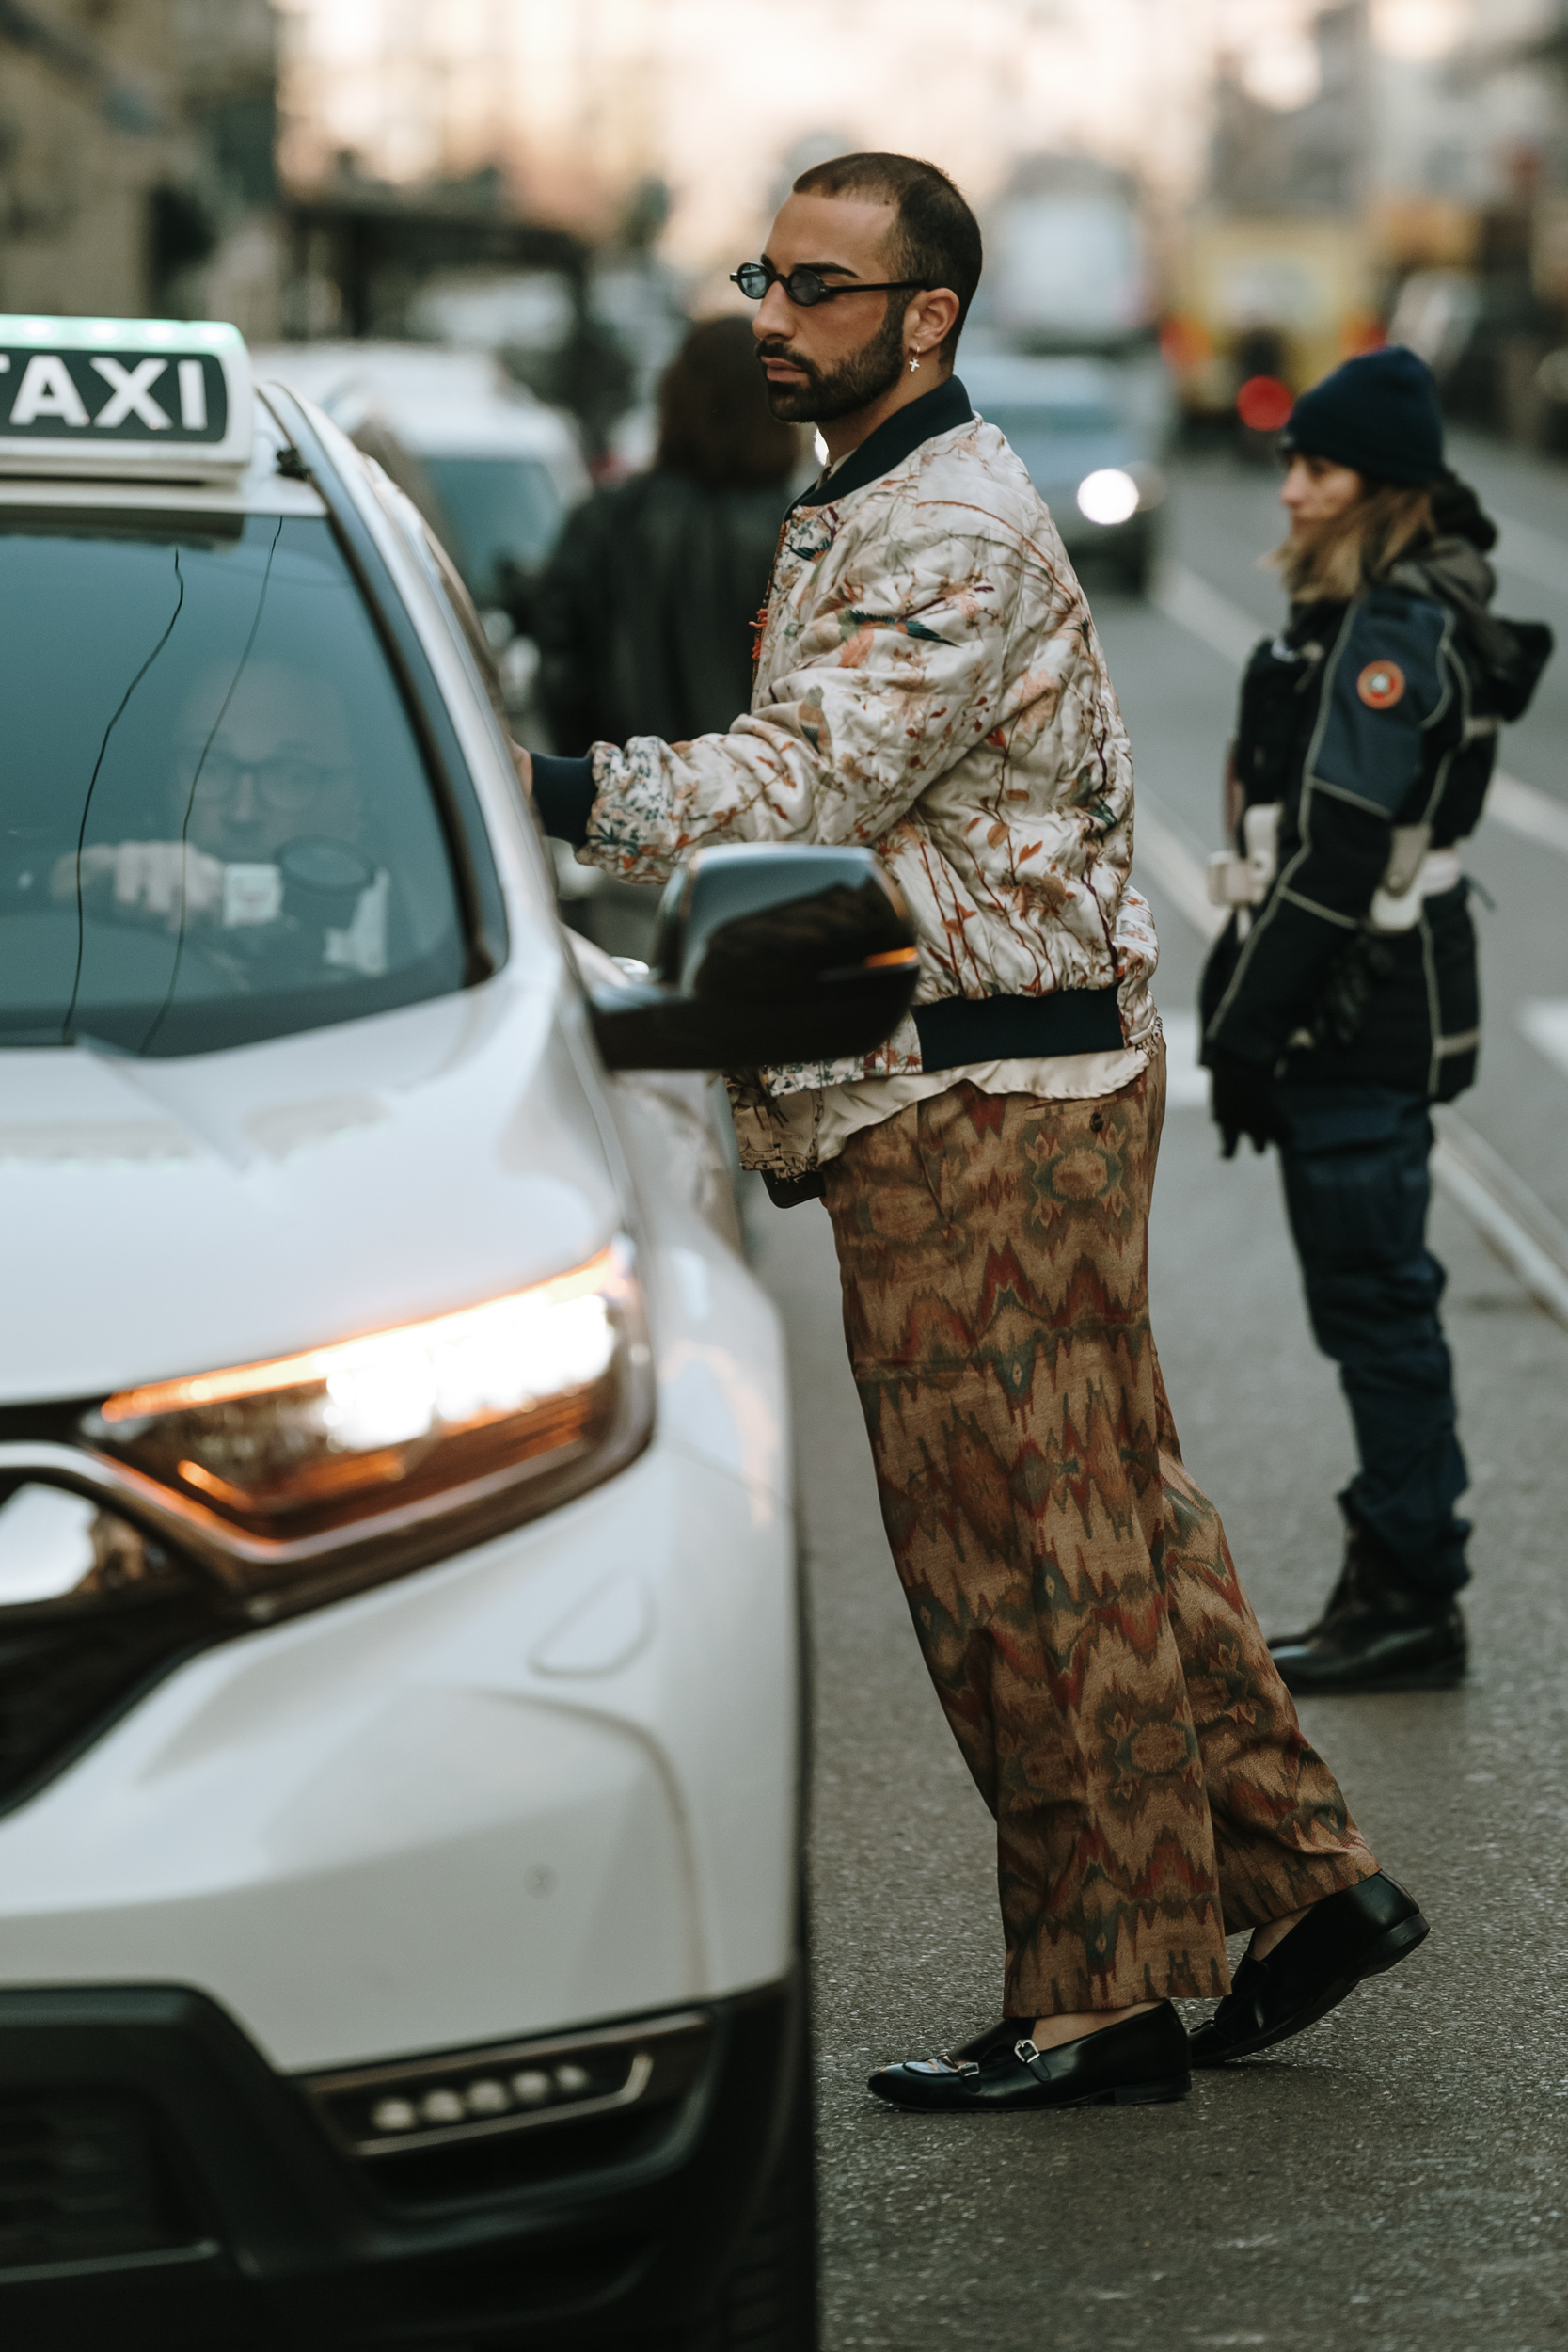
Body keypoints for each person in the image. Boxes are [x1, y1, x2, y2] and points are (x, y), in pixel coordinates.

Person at [521, 151, 1427, 2112]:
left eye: (818, 287)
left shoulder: (942, 521)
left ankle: (1100, 1993)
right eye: (765, 273)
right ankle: (1297, 1885)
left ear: (922, 316)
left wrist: (543, 783)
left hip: (981, 1094)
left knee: (1011, 1550)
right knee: (1111, 1519)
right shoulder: (872, 490)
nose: (768, 312)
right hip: (995, 1072)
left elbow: (804, 772)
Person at [1200, 348, 1551, 1696]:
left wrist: (1242, 1027)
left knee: (1376, 1304)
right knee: (1370, 1300)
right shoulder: (1363, 615)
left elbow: (1337, 856)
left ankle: (1406, 1592)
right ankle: (1401, 1576)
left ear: (1383, 492)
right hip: (1354, 1011)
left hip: (1355, 1012)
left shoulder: (1387, 636)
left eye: (1316, 469)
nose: (1287, 489)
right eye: (1288, 462)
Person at [534, 315, 800, 754]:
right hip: (763, 806)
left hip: (627, 799)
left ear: (676, 398)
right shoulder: (805, 532)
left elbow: (562, 675)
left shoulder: (605, 520)